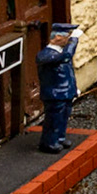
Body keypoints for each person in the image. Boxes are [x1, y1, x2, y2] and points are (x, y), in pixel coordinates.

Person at [36, 24, 79, 154]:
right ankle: (49, 142)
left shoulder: (60, 53)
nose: (69, 41)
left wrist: (73, 89)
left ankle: (60, 138)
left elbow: (69, 73)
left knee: (63, 117)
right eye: (68, 38)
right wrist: (74, 42)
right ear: (58, 37)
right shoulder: (45, 55)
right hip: (54, 93)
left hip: (65, 92)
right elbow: (65, 57)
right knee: (54, 119)